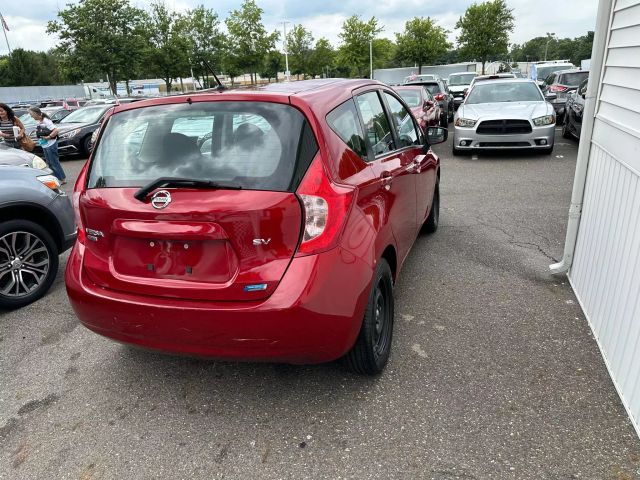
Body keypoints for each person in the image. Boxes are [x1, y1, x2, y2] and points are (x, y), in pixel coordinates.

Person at [28, 106, 66, 184]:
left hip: (50, 144)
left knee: (54, 162)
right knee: (50, 163)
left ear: (35, 113)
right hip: (46, 145)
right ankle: (57, 178)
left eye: (31, 114)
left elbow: (56, 130)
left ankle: (62, 179)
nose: (31, 116)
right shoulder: (40, 120)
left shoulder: (46, 120)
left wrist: (49, 137)